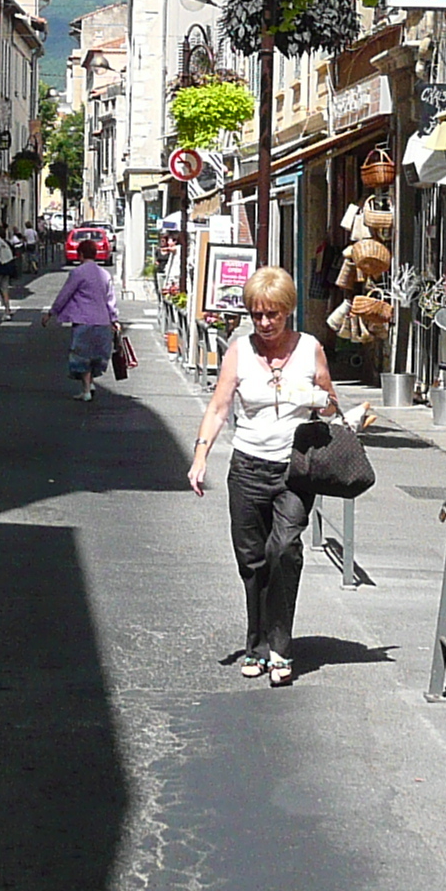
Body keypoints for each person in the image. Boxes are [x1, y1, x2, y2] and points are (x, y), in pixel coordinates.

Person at [185, 265, 338, 687]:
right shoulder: (238, 351)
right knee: (252, 561)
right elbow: (218, 408)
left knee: (284, 550)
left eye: (272, 314)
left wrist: (312, 398)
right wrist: (200, 458)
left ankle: (281, 648)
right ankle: (256, 644)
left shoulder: (310, 349)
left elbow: (330, 404)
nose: (265, 323)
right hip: (248, 466)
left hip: (294, 468)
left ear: (288, 311)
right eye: (256, 315)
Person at [47, 249, 118, 402]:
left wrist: (52, 312)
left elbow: (65, 294)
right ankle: (90, 384)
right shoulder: (104, 274)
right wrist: (114, 319)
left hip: (83, 319)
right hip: (102, 320)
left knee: (82, 355)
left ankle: (86, 390)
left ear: (81, 255)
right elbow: (110, 299)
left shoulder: (78, 273)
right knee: (96, 354)